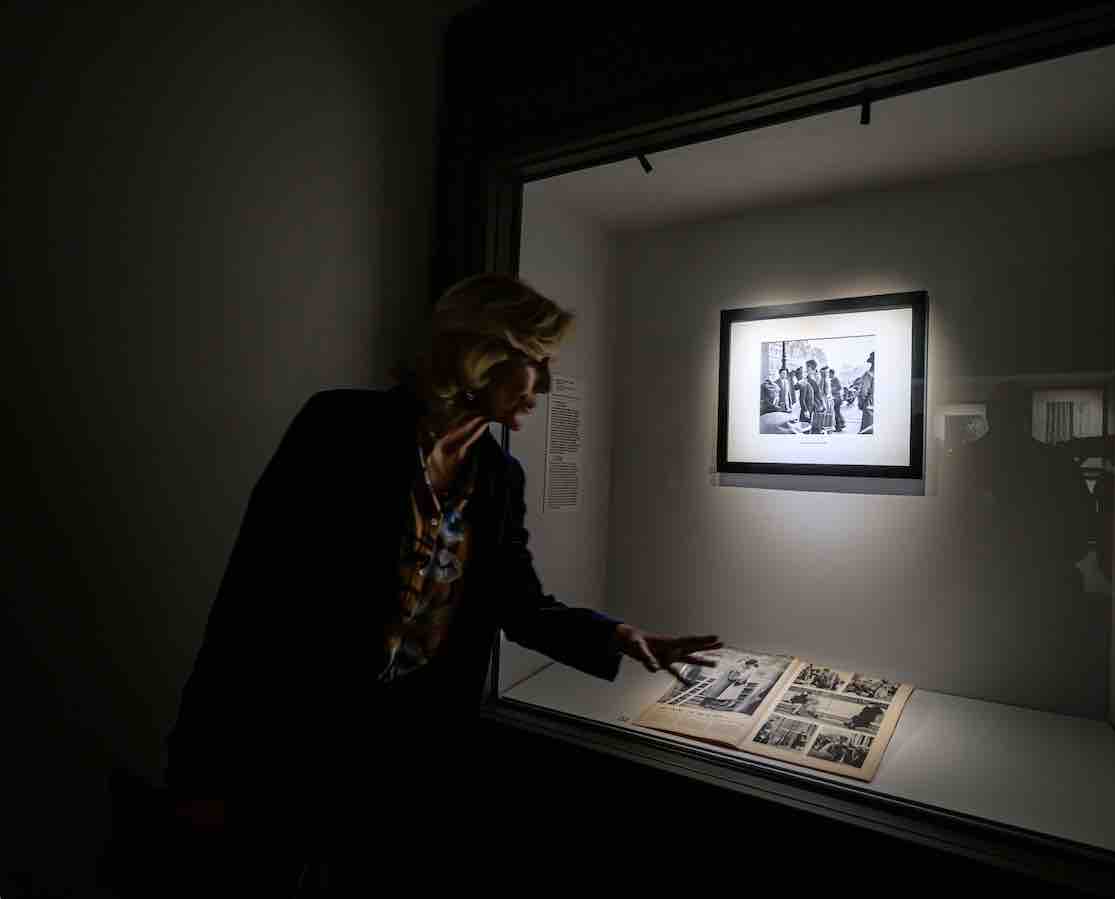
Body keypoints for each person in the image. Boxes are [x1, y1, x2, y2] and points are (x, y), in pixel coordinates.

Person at [163, 273, 724, 890]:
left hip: (411, 754)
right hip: (291, 737)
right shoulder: (338, 427)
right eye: (536, 362)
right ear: (483, 354)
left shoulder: (500, 477)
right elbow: (250, 601)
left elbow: (520, 603)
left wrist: (619, 635)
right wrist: (198, 771)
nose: (546, 385)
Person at [801, 360, 823, 433]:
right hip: (807, 406)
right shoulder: (808, 379)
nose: (806, 369)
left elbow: (818, 394)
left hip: (812, 406)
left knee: (808, 427)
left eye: (807, 367)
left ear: (811, 368)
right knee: (806, 427)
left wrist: (821, 404)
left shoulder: (814, 380)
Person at [858, 352, 875, 434]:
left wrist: (861, 403)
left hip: (870, 404)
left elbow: (863, 392)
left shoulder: (868, 374)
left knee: (867, 429)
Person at [829, 368, 844, 433]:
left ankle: (838, 427)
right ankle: (842, 424)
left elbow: (839, 387)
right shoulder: (832, 379)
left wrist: (832, 389)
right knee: (837, 412)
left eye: (829, 374)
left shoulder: (835, 379)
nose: (828, 375)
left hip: (837, 398)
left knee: (836, 413)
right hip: (835, 398)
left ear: (832, 373)